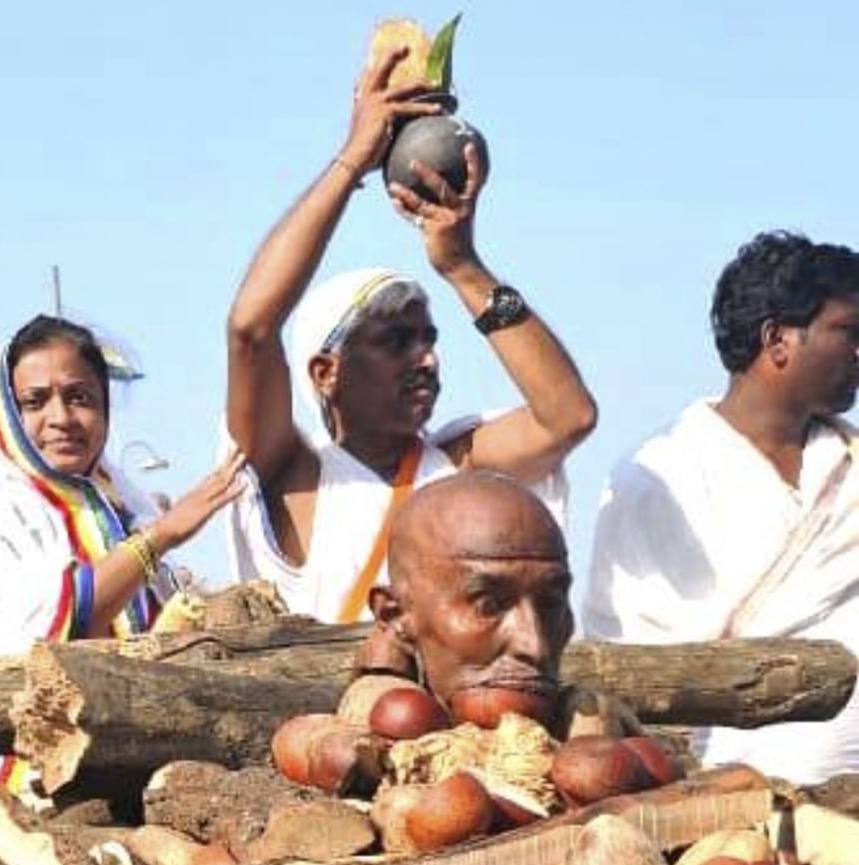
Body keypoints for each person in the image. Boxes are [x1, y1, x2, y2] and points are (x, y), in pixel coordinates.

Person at [224, 46, 597, 623]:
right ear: (325, 372)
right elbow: (251, 328)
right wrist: (353, 159)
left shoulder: (454, 469)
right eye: (395, 342)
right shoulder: (295, 476)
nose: (426, 359)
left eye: (427, 339)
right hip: (323, 716)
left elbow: (568, 416)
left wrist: (463, 268)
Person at [0, 314, 246, 830]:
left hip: (116, 782)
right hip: (3, 795)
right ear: (2, 410)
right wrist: (160, 537)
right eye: (35, 400)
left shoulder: (119, 498)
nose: (61, 416)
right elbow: (51, 628)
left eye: (80, 397)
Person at [584, 231, 859, 784]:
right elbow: (627, 657)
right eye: (849, 333)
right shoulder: (657, 475)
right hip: (719, 813)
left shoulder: (849, 464)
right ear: (777, 338)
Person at [367, 469, 628, 741]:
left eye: (550, 604)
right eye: (488, 605)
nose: (533, 646)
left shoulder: (612, 752)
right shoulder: (359, 753)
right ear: (394, 615)